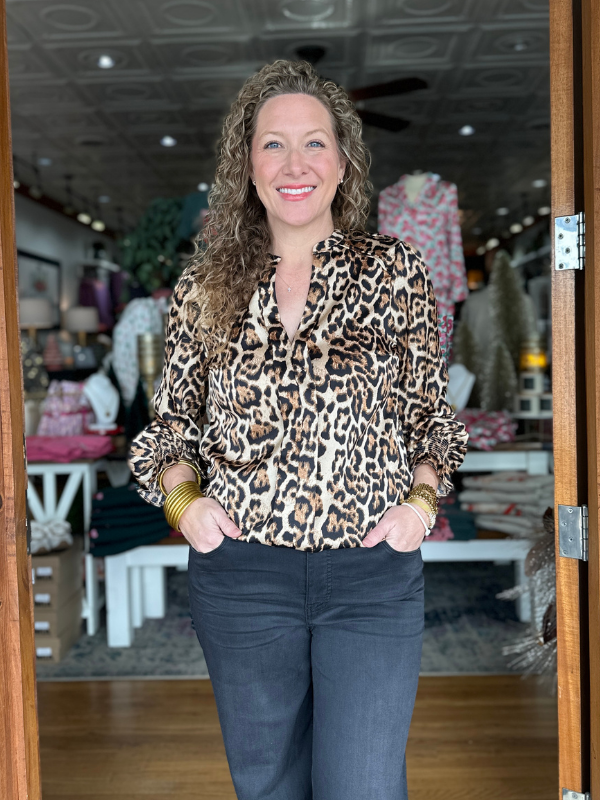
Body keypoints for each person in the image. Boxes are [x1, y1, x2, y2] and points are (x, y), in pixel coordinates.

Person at [129, 59, 468, 800]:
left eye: (314, 143)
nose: (295, 164)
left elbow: (429, 415)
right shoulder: (203, 284)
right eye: (273, 144)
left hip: (370, 572)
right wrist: (187, 507)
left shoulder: (396, 270)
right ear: (245, 164)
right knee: (270, 787)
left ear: (343, 162)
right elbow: (172, 425)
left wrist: (421, 503)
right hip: (243, 577)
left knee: (364, 785)